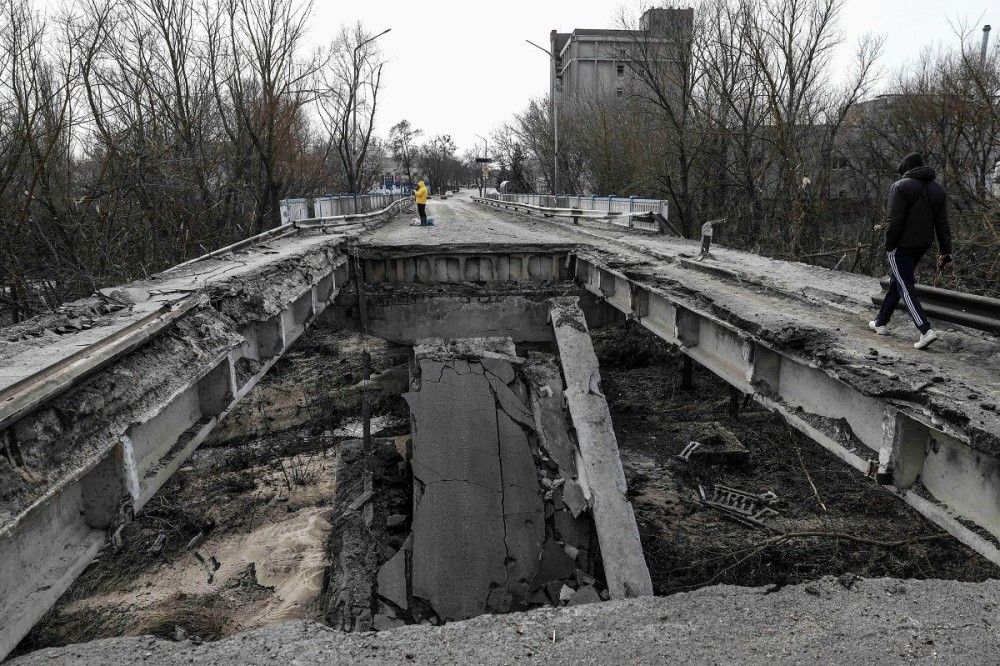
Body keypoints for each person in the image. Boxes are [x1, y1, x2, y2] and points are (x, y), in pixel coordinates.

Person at [869, 152, 953, 350]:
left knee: (905, 286)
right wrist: (946, 251)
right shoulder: (937, 190)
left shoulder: (900, 186)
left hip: (901, 245)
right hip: (922, 244)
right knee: (897, 281)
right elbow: (942, 224)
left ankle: (925, 330)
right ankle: (881, 322)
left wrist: (889, 244)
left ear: (906, 169)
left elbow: (894, 220)